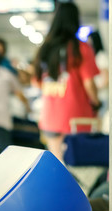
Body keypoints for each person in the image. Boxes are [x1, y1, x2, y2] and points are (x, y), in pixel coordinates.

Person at [33, 2, 101, 162]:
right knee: (76, 170)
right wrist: (96, 103)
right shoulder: (81, 48)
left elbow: (36, 82)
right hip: (76, 118)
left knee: (57, 165)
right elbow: (89, 84)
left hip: (50, 117)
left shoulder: (45, 49)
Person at [88, 31, 109, 133]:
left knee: (100, 123)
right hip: (97, 95)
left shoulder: (101, 56)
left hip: (103, 96)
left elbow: (106, 79)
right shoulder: (94, 57)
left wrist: (94, 88)